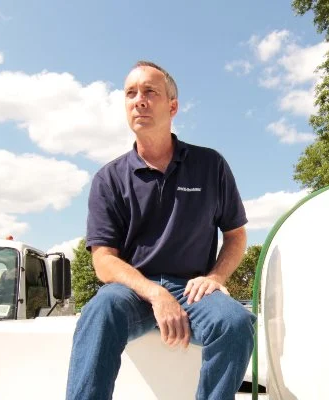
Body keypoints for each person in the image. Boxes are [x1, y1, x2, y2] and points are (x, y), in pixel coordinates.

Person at [65, 61, 254, 400]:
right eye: (131, 93)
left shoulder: (210, 165)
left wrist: (216, 278)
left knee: (236, 323)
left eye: (150, 92)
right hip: (132, 291)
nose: (139, 100)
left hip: (192, 291)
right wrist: (155, 293)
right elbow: (104, 262)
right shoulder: (109, 178)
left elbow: (236, 235)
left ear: (173, 106)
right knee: (99, 310)